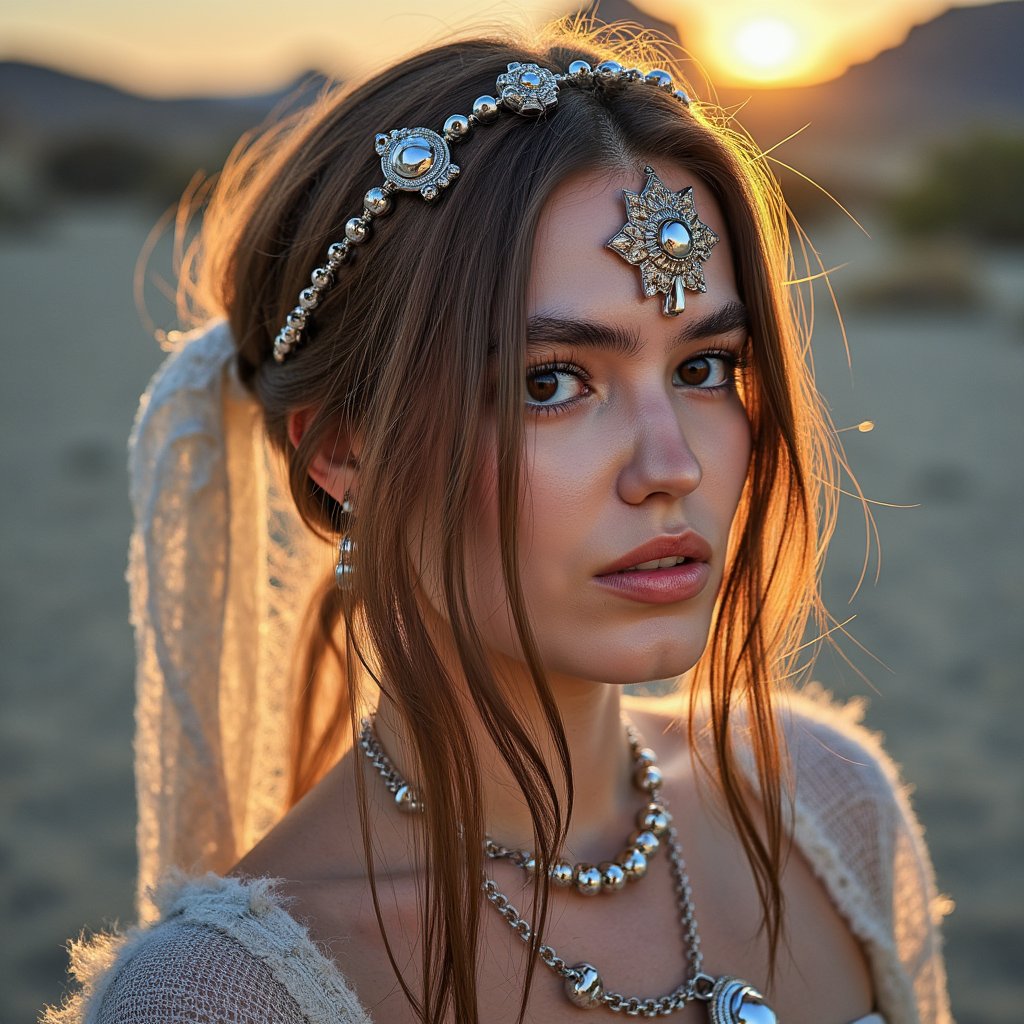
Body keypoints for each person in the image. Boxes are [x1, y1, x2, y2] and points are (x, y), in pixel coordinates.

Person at [44, 21, 951, 1024]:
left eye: (703, 368)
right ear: (342, 447)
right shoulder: (223, 999)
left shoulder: (827, 806)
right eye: (551, 382)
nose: (673, 466)